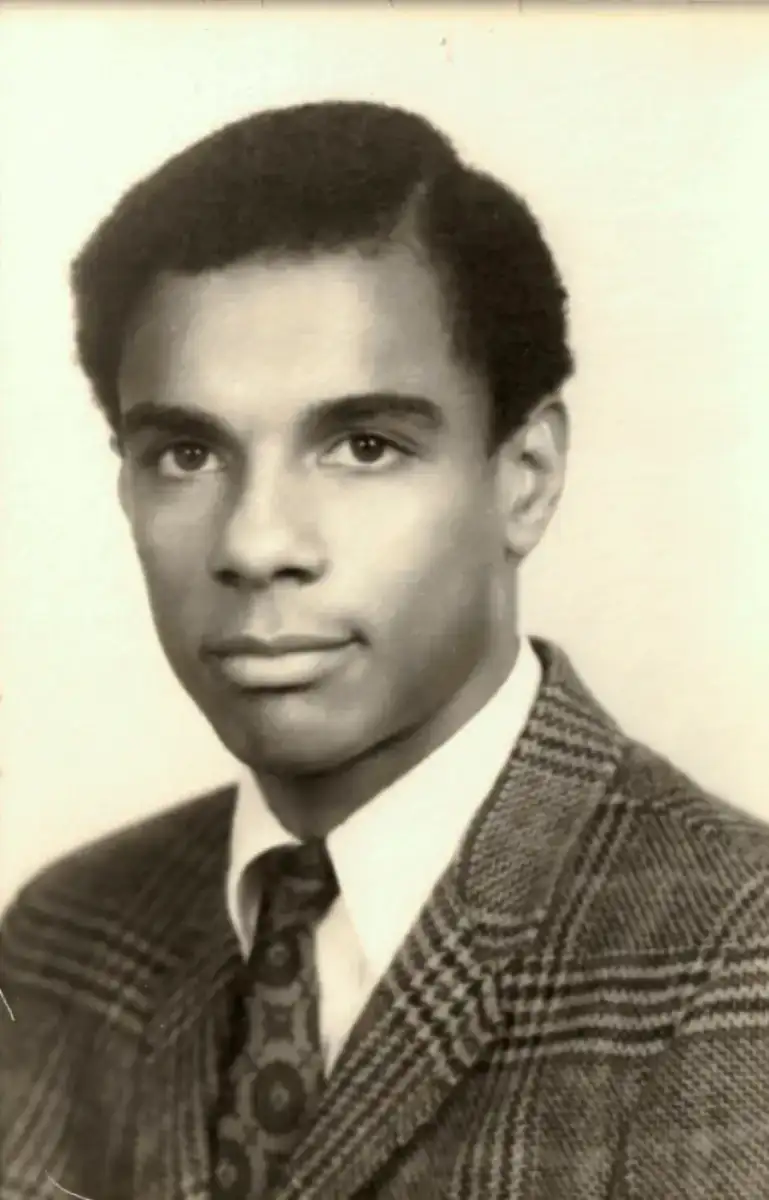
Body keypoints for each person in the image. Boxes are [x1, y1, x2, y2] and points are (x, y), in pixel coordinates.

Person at [1, 101, 767, 1200]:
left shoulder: (736, 962)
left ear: (525, 479)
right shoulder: (61, 938)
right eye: (185, 453)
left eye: (363, 446)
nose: (256, 544)